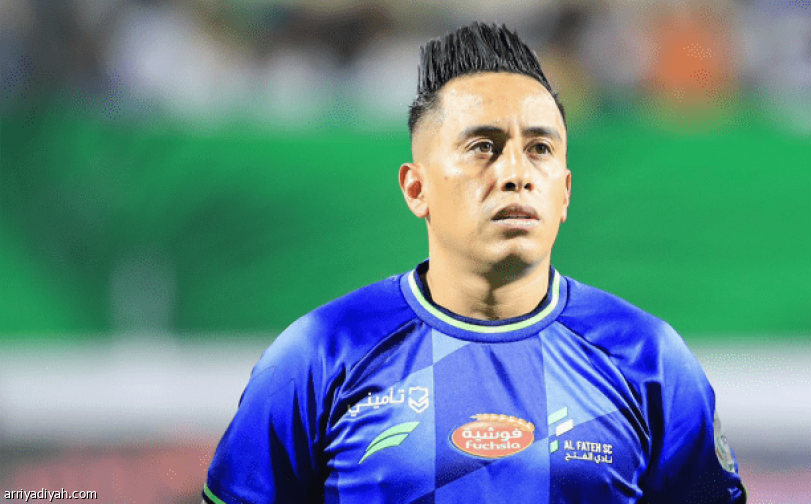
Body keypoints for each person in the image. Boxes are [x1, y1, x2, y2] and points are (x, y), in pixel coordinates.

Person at [202, 22, 745, 504]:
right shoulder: (318, 355)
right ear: (416, 189)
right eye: (484, 146)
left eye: (540, 149)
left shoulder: (649, 360)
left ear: (565, 192)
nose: (516, 173)